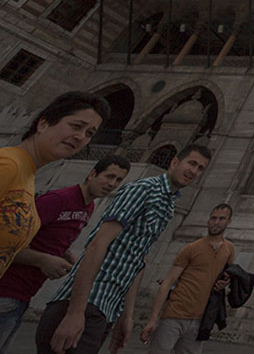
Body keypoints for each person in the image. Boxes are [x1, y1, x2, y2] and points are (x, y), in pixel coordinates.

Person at [36, 144, 213, 354]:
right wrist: (75, 312)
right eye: (191, 163)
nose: (194, 171)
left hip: (106, 308)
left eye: (200, 168)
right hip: (86, 302)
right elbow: (98, 244)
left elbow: (136, 259)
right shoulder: (144, 189)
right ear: (175, 162)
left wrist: (125, 315)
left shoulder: (168, 205)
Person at [0, 155, 129, 353]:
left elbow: (52, 238)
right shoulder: (57, 200)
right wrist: (43, 260)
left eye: (119, 180)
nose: (112, 184)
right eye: (109, 176)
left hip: (25, 294)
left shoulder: (88, 207)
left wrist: (70, 257)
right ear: (92, 173)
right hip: (7, 288)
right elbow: (6, 242)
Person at [0, 92, 108, 279]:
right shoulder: (9, 164)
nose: (80, 137)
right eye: (76, 126)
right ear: (43, 124)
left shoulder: (26, 176)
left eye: (89, 133)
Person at [140, 204, 235, 353]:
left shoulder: (229, 249)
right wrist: (153, 319)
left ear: (228, 222)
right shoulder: (191, 248)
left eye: (221, 219)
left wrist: (224, 283)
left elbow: (225, 274)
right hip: (175, 314)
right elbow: (168, 282)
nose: (216, 222)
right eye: (213, 218)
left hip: (201, 319)